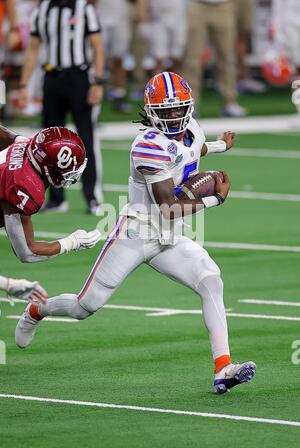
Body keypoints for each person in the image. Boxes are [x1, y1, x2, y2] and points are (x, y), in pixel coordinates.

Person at [15, 72, 256, 394]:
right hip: (137, 233)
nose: (173, 116)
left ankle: (223, 368)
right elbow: (169, 206)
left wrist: (220, 146)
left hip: (171, 235)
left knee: (211, 279)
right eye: (166, 110)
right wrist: (215, 198)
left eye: (178, 108)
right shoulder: (147, 146)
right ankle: (36, 310)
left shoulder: (193, 128)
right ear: (151, 110)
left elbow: (191, 150)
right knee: (85, 307)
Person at [18, 0, 105, 215]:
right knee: (49, 142)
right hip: (52, 77)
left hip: (79, 78)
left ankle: (93, 196)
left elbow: (97, 46)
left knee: (86, 137)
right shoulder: (43, 10)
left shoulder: (84, 8)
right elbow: (33, 48)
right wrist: (23, 84)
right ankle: (56, 198)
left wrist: (98, 82)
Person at [0, 124, 101, 263]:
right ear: (51, 169)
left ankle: (11, 285)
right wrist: (72, 242)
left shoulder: (28, 146)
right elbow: (27, 252)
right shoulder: (23, 187)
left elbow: (5, 134)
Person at [183, 0, 247, 117]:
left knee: (227, 57)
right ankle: (189, 104)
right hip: (198, 6)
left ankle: (230, 101)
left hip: (224, 6)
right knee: (192, 59)